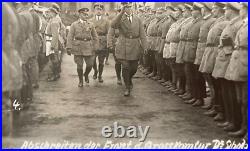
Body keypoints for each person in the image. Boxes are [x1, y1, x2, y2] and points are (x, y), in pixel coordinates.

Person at [212, 2, 242, 132]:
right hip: (224, 60)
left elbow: (237, 43)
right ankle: (229, 119)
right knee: (225, 91)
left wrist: (228, 46)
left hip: (230, 61)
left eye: (227, 10)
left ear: (233, 11)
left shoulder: (238, 24)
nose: (225, 12)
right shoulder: (231, 23)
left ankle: (234, 121)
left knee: (230, 93)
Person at [111, 2, 147, 96]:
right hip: (123, 45)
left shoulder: (138, 19)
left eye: (130, 7)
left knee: (134, 68)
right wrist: (121, 12)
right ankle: (127, 87)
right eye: (126, 7)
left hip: (135, 45)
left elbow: (142, 34)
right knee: (126, 67)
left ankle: (129, 79)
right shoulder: (120, 18)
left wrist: (145, 46)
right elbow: (113, 25)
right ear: (123, 8)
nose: (129, 9)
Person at [225, 2, 248, 138]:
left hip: (246, 64)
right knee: (240, 99)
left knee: (246, 99)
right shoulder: (244, 25)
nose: (240, 11)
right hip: (239, 64)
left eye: (243, 8)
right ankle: (243, 127)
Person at [66, 7, 99, 87]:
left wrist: (96, 46)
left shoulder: (90, 24)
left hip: (88, 46)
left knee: (90, 64)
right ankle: (80, 80)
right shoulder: (74, 24)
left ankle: (86, 74)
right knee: (79, 65)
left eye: (87, 14)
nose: (86, 16)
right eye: (84, 14)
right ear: (80, 14)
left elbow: (95, 37)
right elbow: (70, 36)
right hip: (78, 46)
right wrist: (69, 47)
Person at [90, 3, 110, 83]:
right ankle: (95, 71)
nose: (98, 11)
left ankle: (100, 75)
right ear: (94, 11)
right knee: (92, 60)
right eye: (97, 9)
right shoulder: (90, 21)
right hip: (93, 42)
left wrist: (108, 43)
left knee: (101, 61)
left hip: (103, 42)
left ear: (102, 11)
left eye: (100, 9)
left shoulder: (106, 21)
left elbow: (108, 33)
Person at [107, 9, 122, 85]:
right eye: (119, 13)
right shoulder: (114, 23)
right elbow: (110, 34)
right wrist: (110, 44)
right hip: (117, 44)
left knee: (128, 63)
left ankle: (127, 77)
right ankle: (119, 77)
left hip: (128, 44)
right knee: (118, 62)